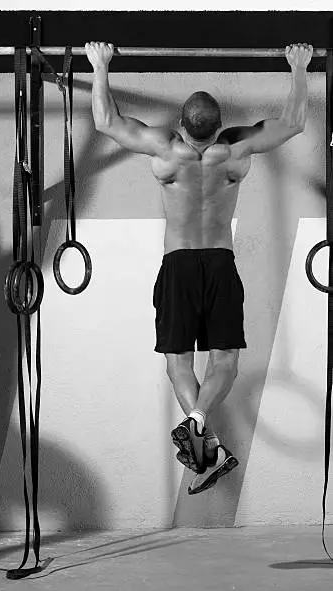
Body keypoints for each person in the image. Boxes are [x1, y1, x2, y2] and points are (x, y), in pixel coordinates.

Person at [86, 41, 312, 494]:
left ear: (182, 126)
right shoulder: (236, 150)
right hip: (220, 263)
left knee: (177, 361)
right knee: (225, 360)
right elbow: (295, 121)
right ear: (219, 126)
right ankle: (200, 424)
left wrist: (100, 65)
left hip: (178, 265)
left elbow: (105, 121)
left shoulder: (165, 149)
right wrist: (299, 68)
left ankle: (200, 437)